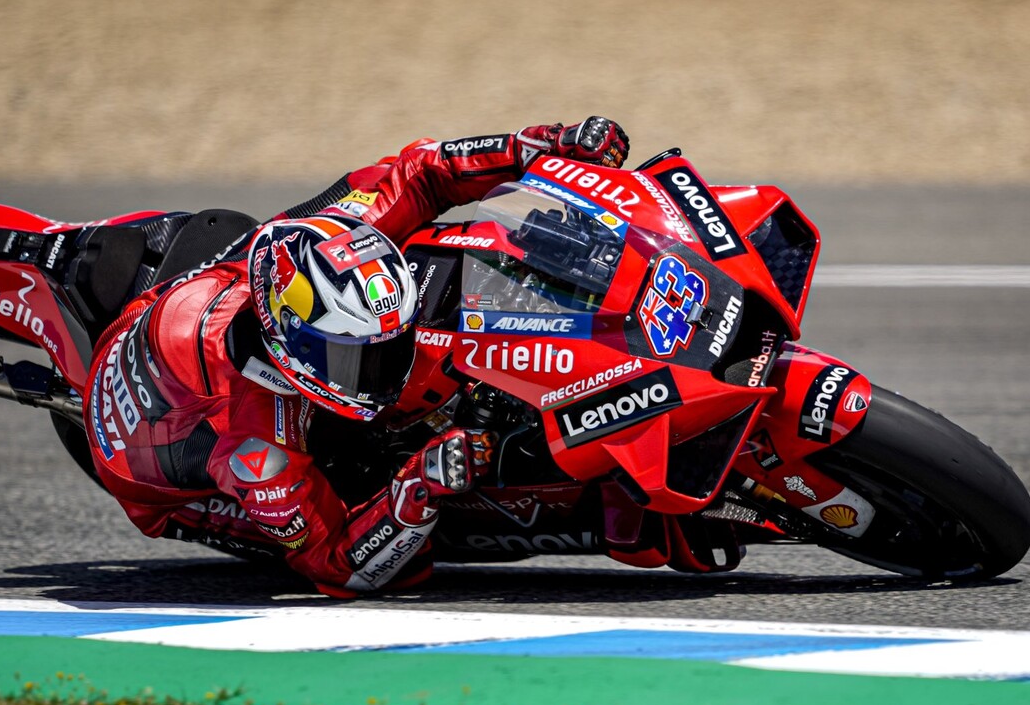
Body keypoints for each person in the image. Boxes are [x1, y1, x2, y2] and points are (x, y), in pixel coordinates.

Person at [84, 117, 630, 597]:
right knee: (369, 497)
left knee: (437, 246)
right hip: (174, 482)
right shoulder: (258, 449)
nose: (384, 371)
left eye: (387, 349)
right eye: (356, 360)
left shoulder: (337, 242)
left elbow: (425, 168)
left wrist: (545, 144)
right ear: (293, 345)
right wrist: (419, 486)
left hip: (191, 298)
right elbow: (338, 566)